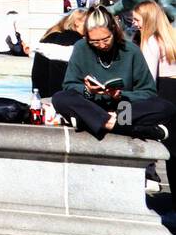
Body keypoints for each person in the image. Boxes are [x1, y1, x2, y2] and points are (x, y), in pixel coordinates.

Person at [51, 8, 175, 160]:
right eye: (95, 41)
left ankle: (97, 122)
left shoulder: (131, 51)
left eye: (106, 39)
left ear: (114, 31)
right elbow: (69, 85)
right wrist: (88, 90)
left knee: (165, 107)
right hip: (92, 105)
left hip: (122, 109)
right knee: (60, 98)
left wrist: (120, 95)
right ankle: (123, 127)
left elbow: (148, 92)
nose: (102, 45)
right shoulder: (80, 48)